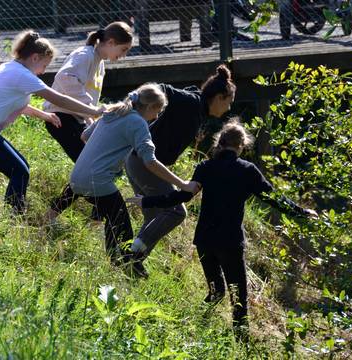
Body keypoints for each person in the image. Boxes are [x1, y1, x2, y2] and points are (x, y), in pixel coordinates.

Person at [127, 120, 318, 336]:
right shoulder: (248, 170)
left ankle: (193, 326)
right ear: (242, 145)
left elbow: (181, 196)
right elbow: (273, 198)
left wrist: (146, 201)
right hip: (230, 241)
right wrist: (302, 213)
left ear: (220, 142)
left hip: (205, 240)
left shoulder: (205, 168)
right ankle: (240, 343)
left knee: (216, 291)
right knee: (238, 300)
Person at [0, 31, 103, 215]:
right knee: (19, 170)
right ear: (34, 58)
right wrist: (93, 110)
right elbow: (59, 99)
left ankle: (14, 213)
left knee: (20, 168)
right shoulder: (22, 75)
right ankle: (15, 217)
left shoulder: (8, 68)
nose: (43, 71)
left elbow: (18, 105)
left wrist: (45, 115)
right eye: (44, 65)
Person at [59, 83, 198, 276]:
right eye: (157, 111)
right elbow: (150, 162)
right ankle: (124, 269)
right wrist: (182, 184)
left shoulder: (113, 112)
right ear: (149, 107)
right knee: (123, 229)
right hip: (97, 181)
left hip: (76, 178)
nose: (156, 117)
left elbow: (84, 136)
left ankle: (115, 267)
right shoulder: (137, 123)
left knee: (113, 217)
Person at [124, 64, 238, 275]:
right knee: (176, 210)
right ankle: (133, 257)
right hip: (143, 162)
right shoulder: (191, 102)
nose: (229, 108)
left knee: (154, 216)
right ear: (220, 97)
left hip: (135, 160)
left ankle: (131, 264)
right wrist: (132, 105)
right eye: (229, 101)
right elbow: (162, 88)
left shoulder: (198, 105)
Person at [43, 21, 133, 222]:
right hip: (61, 118)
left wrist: (92, 119)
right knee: (90, 169)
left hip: (76, 119)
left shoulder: (99, 62)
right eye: (123, 49)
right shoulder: (85, 55)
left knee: (92, 168)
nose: (124, 54)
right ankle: (82, 217)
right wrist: (90, 109)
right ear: (110, 42)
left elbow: (89, 98)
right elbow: (66, 78)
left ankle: (74, 217)